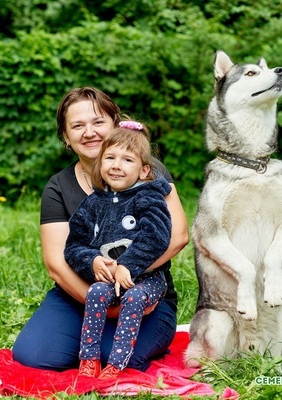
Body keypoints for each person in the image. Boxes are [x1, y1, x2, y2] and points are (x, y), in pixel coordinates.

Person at [12, 87, 189, 373]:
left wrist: (126, 271)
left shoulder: (147, 170)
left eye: (98, 122)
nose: (89, 132)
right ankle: (86, 338)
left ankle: (105, 345)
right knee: (34, 356)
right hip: (81, 293)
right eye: (77, 126)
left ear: (115, 125)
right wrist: (102, 304)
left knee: (118, 357)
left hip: (141, 292)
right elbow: (57, 263)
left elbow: (178, 236)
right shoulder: (58, 187)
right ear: (66, 138)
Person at [64, 120, 172, 379]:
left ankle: (117, 362)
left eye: (127, 160)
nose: (116, 165)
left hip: (147, 279)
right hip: (109, 278)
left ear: (144, 170)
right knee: (96, 292)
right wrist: (91, 261)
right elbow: (74, 245)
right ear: (100, 165)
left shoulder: (149, 197)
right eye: (110, 157)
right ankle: (89, 359)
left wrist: (128, 265)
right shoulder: (93, 204)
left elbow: (156, 237)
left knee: (134, 298)